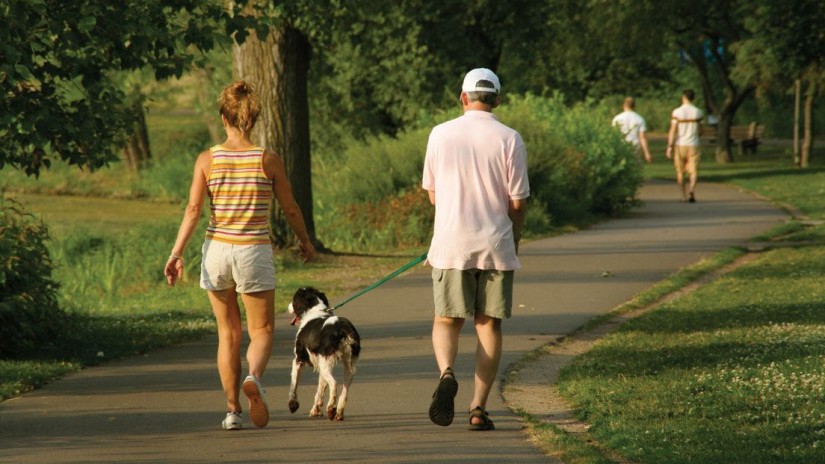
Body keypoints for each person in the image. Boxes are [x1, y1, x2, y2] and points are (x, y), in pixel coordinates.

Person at [163, 80, 315, 431]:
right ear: (254, 118)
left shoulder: (208, 159)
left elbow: (192, 209)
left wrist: (176, 253)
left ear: (223, 117)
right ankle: (255, 378)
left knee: (227, 333)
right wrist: (305, 242)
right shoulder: (268, 159)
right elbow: (290, 209)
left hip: (216, 250)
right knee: (260, 330)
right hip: (253, 251)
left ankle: (232, 411)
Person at [422, 68, 530, 431]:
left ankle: (447, 372)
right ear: (497, 99)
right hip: (495, 243)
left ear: (463, 98)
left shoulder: (440, 134)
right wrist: (516, 237)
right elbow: (518, 202)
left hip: (451, 243)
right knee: (488, 324)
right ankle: (478, 409)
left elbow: (433, 194)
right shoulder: (510, 138)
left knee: (446, 319)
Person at [666, 89, 704, 203]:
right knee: (693, 170)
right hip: (693, 143)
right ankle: (692, 189)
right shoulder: (698, 112)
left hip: (680, 144)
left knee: (680, 171)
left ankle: (683, 195)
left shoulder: (677, 112)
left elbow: (673, 130)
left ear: (683, 97)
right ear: (693, 98)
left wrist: (669, 146)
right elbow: (701, 131)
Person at [612, 97, 652, 163]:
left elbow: (613, 135)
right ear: (634, 106)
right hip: (635, 146)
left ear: (624, 105)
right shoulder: (639, 119)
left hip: (621, 146)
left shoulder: (617, 118)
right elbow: (642, 138)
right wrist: (647, 153)